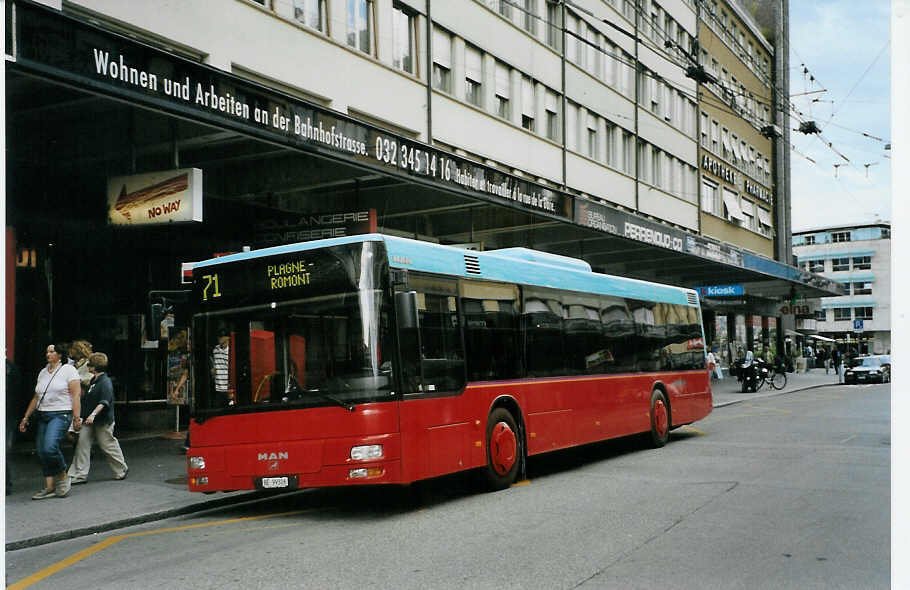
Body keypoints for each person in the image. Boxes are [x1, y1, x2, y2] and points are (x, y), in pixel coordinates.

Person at [19, 343, 82, 499]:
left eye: (52, 351)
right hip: (43, 415)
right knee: (41, 452)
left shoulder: (69, 370)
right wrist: (26, 417)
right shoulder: (43, 372)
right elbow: (36, 397)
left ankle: (62, 476)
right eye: (47, 351)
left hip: (61, 414)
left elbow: (76, 395)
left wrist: (76, 417)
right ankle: (49, 487)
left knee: (49, 448)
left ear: (60, 354)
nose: (48, 354)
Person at [67, 352, 128, 483]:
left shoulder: (105, 382)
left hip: (102, 420)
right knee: (82, 444)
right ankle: (79, 474)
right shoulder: (94, 381)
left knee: (107, 444)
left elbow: (104, 401)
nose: (87, 366)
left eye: (89, 364)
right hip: (91, 419)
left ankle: (121, 468)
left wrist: (93, 415)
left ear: (93, 367)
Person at [211, 331, 233, 407]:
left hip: (228, 389)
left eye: (221, 336)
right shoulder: (215, 350)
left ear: (227, 338)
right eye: (218, 336)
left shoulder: (231, 351)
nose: (219, 338)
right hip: (218, 389)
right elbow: (212, 362)